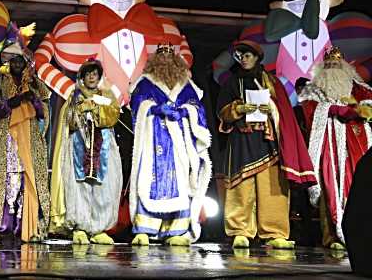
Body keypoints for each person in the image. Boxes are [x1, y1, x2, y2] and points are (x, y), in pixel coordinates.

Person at [217, 40, 315, 249]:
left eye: (248, 55)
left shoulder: (271, 82)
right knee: (241, 185)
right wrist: (239, 108)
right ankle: (240, 231)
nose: (244, 59)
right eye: (241, 56)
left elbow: (284, 112)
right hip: (242, 139)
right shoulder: (232, 82)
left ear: (257, 58)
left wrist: (270, 106)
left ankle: (274, 232)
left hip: (267, 140)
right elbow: (222, 112)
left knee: (272, 186)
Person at [129, 45, 212, 246]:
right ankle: (145, 229)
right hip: (154, 138)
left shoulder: (186, 84)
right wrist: (155, 108)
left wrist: (185, 112)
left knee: (180, 182)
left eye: (169, 55)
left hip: (179, 143)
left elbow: (197, 107)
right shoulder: (145, 82)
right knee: (150, 180)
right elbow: (137, 105)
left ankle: (176, 230)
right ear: (154, 60)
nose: (165, 59)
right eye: (161, 55)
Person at [0, 26, 51, 243]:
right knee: (2, 178)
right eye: (14, 60)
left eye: (21, 60)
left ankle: (29, 226)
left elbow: (45, 111)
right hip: (6, 136)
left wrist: (34, 101)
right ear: (9, 61)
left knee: (27, 178)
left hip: (29, 138)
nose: (18, 64)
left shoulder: (34, 82)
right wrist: (7, 105)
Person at [299, 46, 372, 250]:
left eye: (337, 65)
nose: (333, 68)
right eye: (329, 64)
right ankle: (331, 237)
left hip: (356, 142)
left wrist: (360, 109)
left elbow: (368, 104)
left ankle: (360, 236)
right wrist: (332, 109)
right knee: (329, 185)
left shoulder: (358, 86)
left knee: (358, 185)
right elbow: (308, 110)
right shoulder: (314, 88)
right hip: (328, 143)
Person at [49, 59, 122, 245]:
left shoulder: (107, 95)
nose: (92, 77)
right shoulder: (74, 96)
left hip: (103, 149)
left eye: (95, 73)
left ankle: (98, 229)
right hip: (78, 149)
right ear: (82, 76)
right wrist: (81, 109)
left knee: (101, 189)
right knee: (79, 187)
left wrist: (96, 108)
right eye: (88, 73)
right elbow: (70, 121)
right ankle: (80, 228)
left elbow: (113, 115)